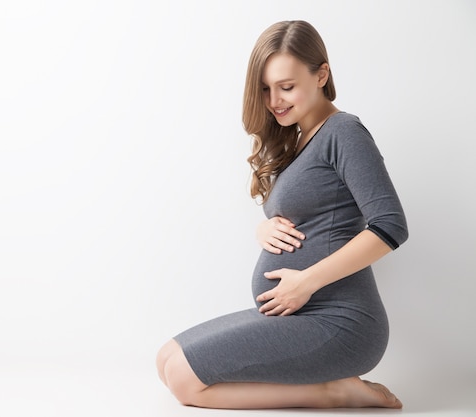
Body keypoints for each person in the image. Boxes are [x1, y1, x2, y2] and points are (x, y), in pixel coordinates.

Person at [155, 20, 408, 409]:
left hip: (340, 323)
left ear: (321, 74)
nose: (275, 101)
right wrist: (265, 228)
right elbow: (317, 212)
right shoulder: (302, 138)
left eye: (286, 87)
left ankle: (335, 391)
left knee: (185, 382)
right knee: (166, 360)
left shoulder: (344, 132)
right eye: (266, 89)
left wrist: (305, 282)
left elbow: (390, 226)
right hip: (300, 315)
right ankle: (333, 387)